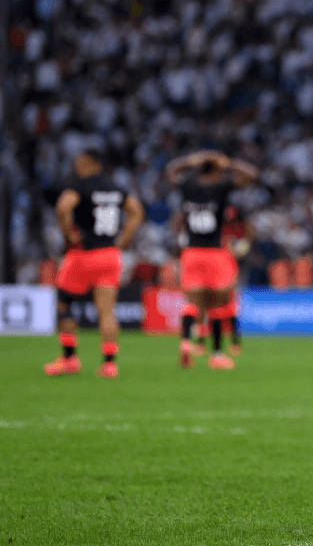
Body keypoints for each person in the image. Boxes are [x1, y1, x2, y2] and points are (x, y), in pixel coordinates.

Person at [44, 150, 144, 379]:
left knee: (64, 303)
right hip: (109, 254)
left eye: (80, 162)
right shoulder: (116, 188)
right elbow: (137, 211)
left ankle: (70, 359)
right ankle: (110, 364)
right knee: (107, 311)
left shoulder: (79, 186)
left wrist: (70, 235)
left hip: (82, 254)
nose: (77, 166)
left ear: (90, 163)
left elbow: (63, 208)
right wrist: (124, 239)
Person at [166, 151, 259, 371]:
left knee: (193, 302)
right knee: (218, 303)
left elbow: (170, 171)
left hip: (191, 253)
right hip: (215, 253)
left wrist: (189, 159)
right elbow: (252, 175)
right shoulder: (221, 187)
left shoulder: (188, 186)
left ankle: (186, 341)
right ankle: (217, 354)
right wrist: (228, 163)